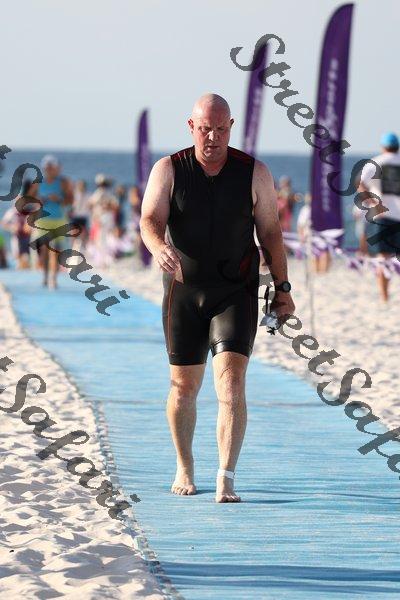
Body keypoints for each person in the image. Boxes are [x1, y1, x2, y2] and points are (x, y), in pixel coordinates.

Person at [140, 93, 295, 503]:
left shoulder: (254, 172)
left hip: (235, 292)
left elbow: (271, 233)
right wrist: (157, 245)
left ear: (231, 127)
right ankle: (184, 465)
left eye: (221, 129)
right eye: (205, 129)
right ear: (191, 127)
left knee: (231, 381)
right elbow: (149, 219)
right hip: (183, 292)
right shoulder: (169, 169)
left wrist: (282, 290)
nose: (213, 137)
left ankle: (226, 475)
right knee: (183, 387)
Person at [358, 132, 400, 302]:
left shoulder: (375, 162)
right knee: (392, 257)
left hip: (382, 215)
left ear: (383, 147)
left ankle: (384, 295)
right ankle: (386, 294)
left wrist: (371, 200)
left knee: (383, 257)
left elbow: (359, 183)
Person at [34, 155, 73, 288]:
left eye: (51, 167)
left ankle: (54, 278)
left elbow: (70, 201)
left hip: (59, 219)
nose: (49, 170)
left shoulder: (63, 182)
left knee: (56, 250)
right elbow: (28, 198)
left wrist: (59, 199)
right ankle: (45, 276)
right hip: (43, 219)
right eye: (47, 167)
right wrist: (39, 201)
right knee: (45, 249)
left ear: (56, 168)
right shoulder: (38, 182)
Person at [1, 179, 37, 269]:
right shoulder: (13, 212)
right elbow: (3, 223)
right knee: (19, 259)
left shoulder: (31, 211)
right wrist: (12, 227)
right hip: (17, 238)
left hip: (29, 238)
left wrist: (31, 227)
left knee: (30, 260)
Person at [88, 174, 119, 266]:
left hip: (102, 217)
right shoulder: (109, 193)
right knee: (108, 237)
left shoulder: (99, 193)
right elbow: (115, 206)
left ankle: (103, 261)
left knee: (101, 239)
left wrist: (96, 215)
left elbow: (90, 204)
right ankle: (107, 259)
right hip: (108, 216)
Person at [70, 180, 90, 252]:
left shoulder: (88, 195)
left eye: (83, 186)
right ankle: (72, 249)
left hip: (83, 216)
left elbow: (90, 205)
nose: (81, 187)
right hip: (76, 215)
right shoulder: (74, 194)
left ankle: (84, 248)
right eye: (80, 185)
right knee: (73, 232)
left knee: (84, 233)